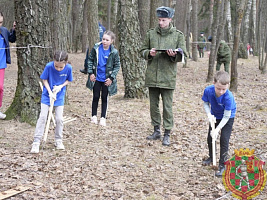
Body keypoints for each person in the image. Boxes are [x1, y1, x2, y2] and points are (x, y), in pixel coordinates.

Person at [139, 6, 187, 146]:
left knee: (167, 107)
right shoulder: (151, 34)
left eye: (163, 20)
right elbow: (142, 50)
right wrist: (149, 53)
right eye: (159, 20)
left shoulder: (178, 35)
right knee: (153, 106)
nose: (161, 22)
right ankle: (156, 130)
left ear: (170, 20)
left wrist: (175, 55)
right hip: (152, 76)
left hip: (168, 77)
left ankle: (167, 133)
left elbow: (184, 55)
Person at [30, 50, 73, 153]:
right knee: (43, 117)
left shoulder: (68, 68)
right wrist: (49, 92)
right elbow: (44, 79)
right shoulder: (49, 66)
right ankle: (36, 141)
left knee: (59, 119)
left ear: (65, 63)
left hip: (59, 96)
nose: (58, 68)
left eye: (60, 67)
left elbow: (68, 80)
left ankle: (58, 140)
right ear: (53, 61)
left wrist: (60, 87)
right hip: (47, 95)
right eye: (56, 66)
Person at [202, 71, 236, 177]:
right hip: (214, 116)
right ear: (214, 83)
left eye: (223, 89)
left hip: (228, 117)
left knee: (224, 140)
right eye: (218, 88)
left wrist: (217, 129)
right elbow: (206, 103)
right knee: (210, 137)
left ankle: (223, 165)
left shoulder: (228, 97)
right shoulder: (208, 90)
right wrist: (209, 115)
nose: (221, 91)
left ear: (227, 86)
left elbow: (226, 116)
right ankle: (212, 157)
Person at [86, 30, 120, 126]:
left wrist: (111, 78)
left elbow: (117, 65)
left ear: (112, 41)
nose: (104, 41)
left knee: (104, 97)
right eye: (103, 39)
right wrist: (91, 73)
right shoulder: (96, 48)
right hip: (96, 78)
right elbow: (90, 60)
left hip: (106, 79)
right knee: (95, 96)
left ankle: (103, 117)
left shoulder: (114, 52)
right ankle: (93, 116)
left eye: (107, 40)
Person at [0, 12, 16, 119]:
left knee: (0, 88)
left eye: (0, 22)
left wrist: (14, 29)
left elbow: (12, 39)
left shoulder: (4, 31)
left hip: (1, 65)